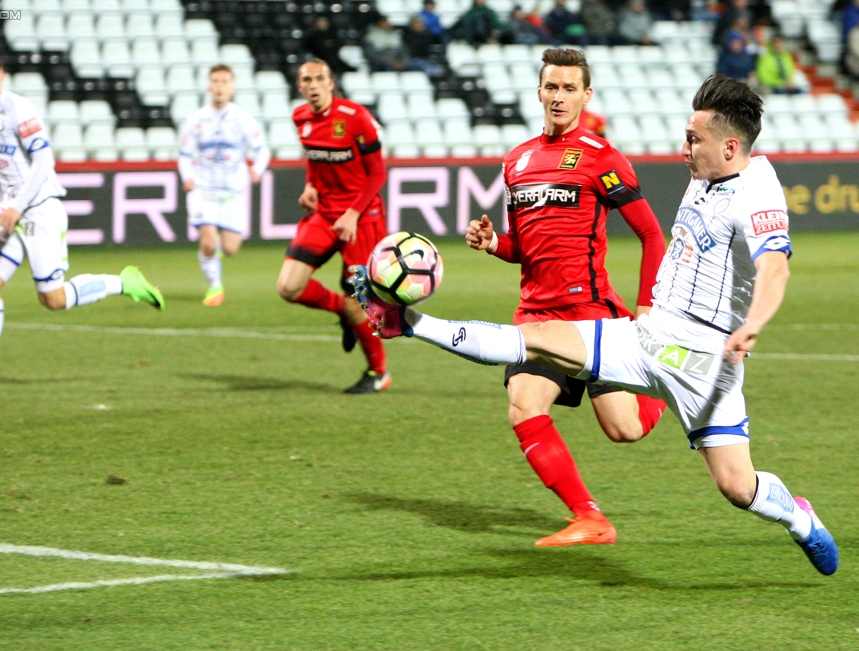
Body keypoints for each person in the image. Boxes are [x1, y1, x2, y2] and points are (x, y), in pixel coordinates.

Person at [352, 74, 839, 576]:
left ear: (731, 147)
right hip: (648, 336)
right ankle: (408, 322)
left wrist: (754, 323)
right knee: (531, 346)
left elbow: (775, 267)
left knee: (738, 487)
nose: (683, 149)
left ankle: (798, 518)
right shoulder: (706, 172)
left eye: (694, 140)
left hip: (706, 361)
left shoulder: (757, 192)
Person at [460, 48, 667, 547]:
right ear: (539, 91)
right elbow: (523, 249)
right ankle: (589, 517)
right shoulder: (517, 161)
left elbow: (652, 235)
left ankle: (667, 385)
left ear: (585, 95)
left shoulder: (602, 158)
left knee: (624, 430)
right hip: (536, 314)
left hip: (590, 316)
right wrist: (493, 244)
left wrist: (647, 308)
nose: (559, 96)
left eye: (569, 88)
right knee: (524, 404)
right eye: (551, 87)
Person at [0, 48, 164, 393]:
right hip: (11, 212)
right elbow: (7, 171)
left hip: (40, 209)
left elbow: (42, 162)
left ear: (1, 76)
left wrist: (15, 208)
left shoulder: (19, 109)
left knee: (54, 299)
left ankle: (124, 282)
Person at [276, 59, 390, 394]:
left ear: (330, 83)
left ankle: (378, 373)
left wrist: (353, 213)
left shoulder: (356, 118)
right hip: (325, 214)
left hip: (362, 217)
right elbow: (315, 161)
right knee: (288, 287)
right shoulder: (301, 118)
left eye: (319, 79)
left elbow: (378, 173)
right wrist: (311, 186)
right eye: (306, 80)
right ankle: (342, 309)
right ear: (300, 87)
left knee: (360, 301)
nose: (312, 85)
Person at [178, 64, 271, 306]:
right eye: (215, 81)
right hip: (203, 190)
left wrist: (257, 170)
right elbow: (184, 155)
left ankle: (214, 257)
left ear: (232, 87)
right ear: (209, 87)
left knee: (230, 248)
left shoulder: (242, 119)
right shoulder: (196, 120)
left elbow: (262, 149)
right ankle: (215, 287)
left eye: (224, 81)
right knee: (208, 242)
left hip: (233, 192)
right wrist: (186, 176)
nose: (219, 86)